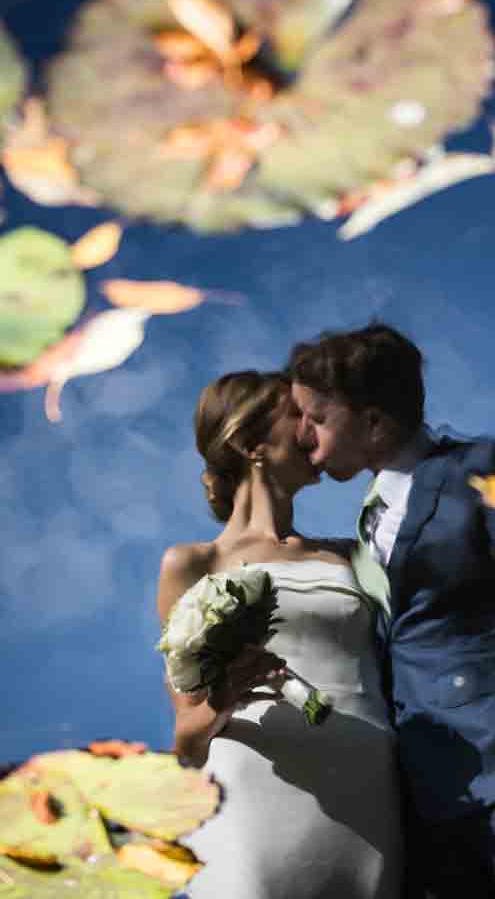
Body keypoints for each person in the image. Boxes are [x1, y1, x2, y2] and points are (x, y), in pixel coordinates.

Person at [287, 323, 495, 899]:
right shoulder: (367, 525)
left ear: (373, 421)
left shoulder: (483, 470)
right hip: (426, 801)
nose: (302, 436)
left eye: (316, 418)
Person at [158, 370, 403, 899]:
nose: (317, 426)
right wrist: (225, 695)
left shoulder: (352, 556)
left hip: (368, 789)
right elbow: (186, 736)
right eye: (300, 415)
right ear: (252, 444)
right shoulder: (193, 563)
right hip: (253, 788)